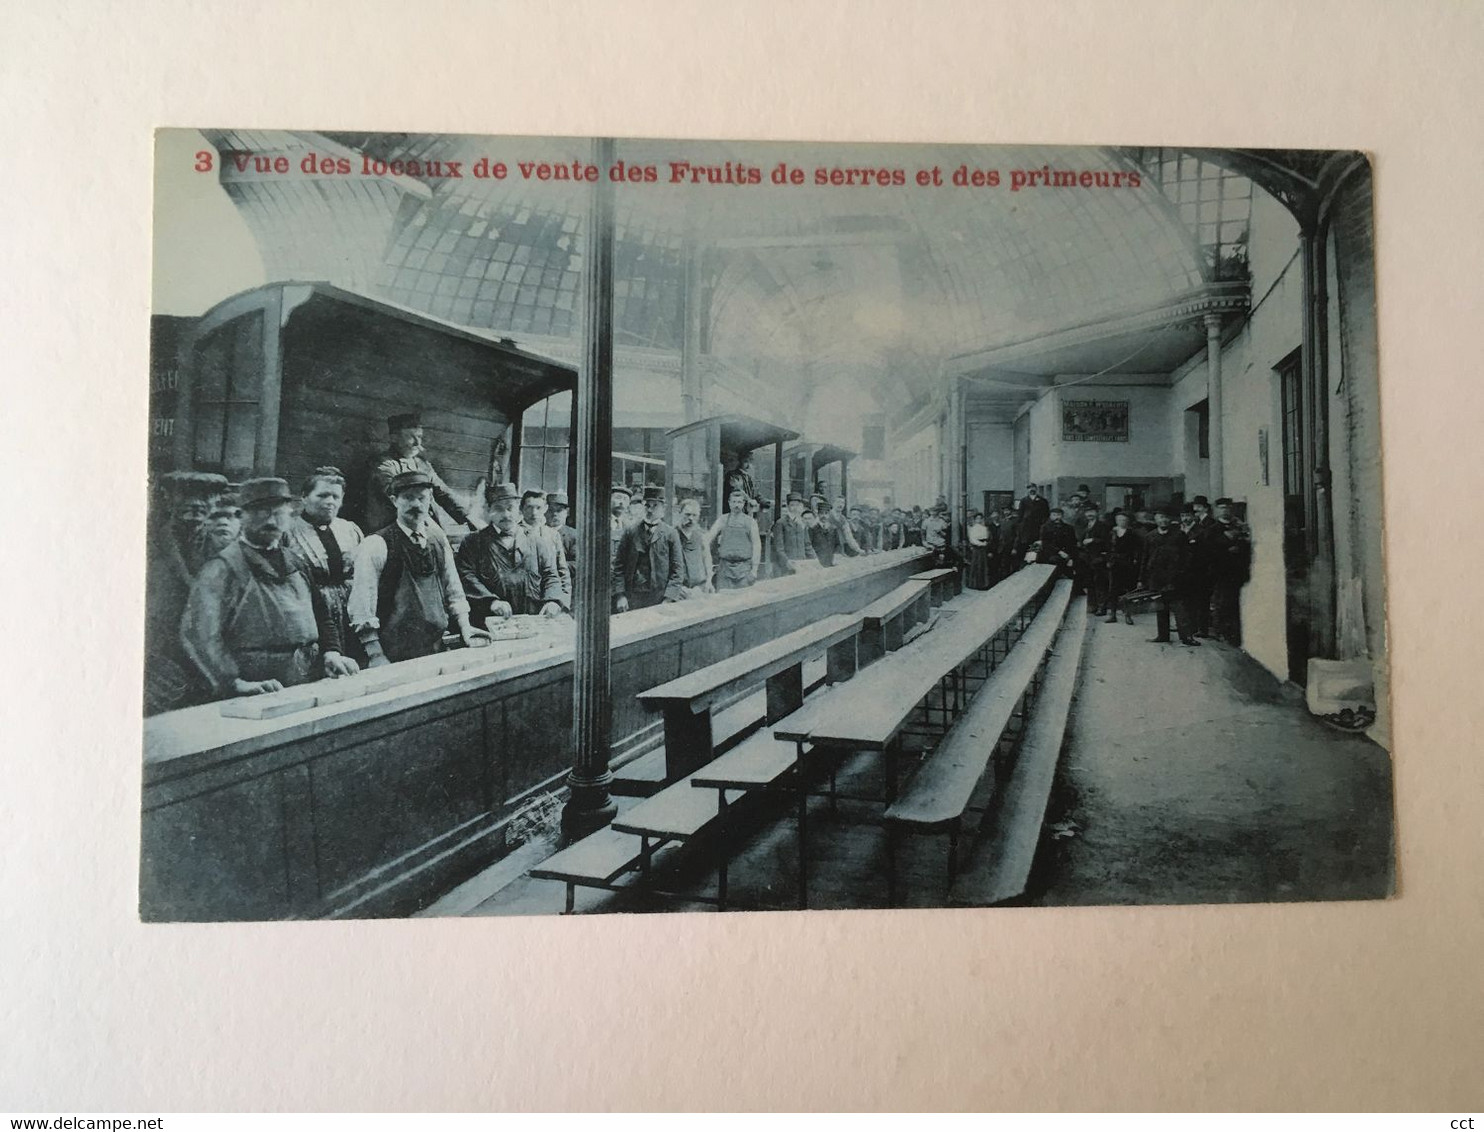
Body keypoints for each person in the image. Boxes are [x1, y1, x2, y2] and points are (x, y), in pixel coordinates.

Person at [181, 476, 360, 699]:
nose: (270, 520)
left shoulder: (296, 561)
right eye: (260, 512)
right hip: (256, 684)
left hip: (306, 676)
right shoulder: (223, 568)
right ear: (241, 516)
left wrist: (332, 652)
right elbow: (201, 634)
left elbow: (321, 614)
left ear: (290, 515)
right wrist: (234, 682)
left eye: (278, 512)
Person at [348, 463, 490, 666]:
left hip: (436, 647)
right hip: (392, 652)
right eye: (408, 498)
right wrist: (375, 653)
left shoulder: (438, 540)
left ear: (430, 500)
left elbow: (454, 589)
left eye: (422, 498)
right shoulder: (377, 544)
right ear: (394, 500)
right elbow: (362, 604)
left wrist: (465, 627)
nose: (416, 504)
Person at [144, 470, 233, 713]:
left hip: (209, 656)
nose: (195, 504)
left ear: (215, 503)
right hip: (160, 656)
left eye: (205, 497)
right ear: (169, 499)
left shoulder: (224, 549)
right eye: (185, 495)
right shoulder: (148, 543)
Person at [284, 466, 366, 665]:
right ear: (304, 497)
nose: (330, 502)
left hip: (350, 610)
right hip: (311, 611)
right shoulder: (288, 531)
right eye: (322, 495)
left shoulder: (349, 529)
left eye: (335, 497)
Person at [456, 483, 566, 623]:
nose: (506, 515)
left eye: (510, 508)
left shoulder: (537, 542)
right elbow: (466, 576)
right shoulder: (473, 542)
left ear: (519, 511)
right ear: (489, 511)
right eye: (499, 509)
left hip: (532, 620)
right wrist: (491, 602)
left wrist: (553, 601)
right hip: (489, 620)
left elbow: (550, 575)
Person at [365, 412, 479, 534]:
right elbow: (399, 501)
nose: (417, 443)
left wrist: (468, 517)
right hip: (394, 531)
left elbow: (443, 492)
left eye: (419, 437)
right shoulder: (383, 464)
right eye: (411, 437)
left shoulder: (422, 464)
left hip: (423, 527)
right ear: (394, 438)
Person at [616, 486, 685, 610]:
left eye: (655, 506)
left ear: (663, 509)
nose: (650, 510)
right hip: (633, 596)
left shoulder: (670, 534)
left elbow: (677, 570)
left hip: (659, 598)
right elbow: (619, 566)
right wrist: (620, 595)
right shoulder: (630, 532)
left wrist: (668, 599)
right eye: (647, 505)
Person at [1138, 507, 1199, 645]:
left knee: (1179, 607)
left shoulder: (1179, 535)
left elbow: (1187, 557)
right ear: (1155, 520)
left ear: (1170, 520)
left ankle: (1186, 637)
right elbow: (1145, 558)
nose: (1163, 520)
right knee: (1160, 607)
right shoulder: (1150, 536)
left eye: (1165, 517)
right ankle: (1163, 635)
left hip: (1175, 577)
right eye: (1160, 517)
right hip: (1157, 576)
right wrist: (1141, 579)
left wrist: (1182, 573)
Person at [1209, 498, 1253, 644]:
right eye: (1221, 508)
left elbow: (1248, 547)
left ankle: (1234, 635)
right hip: (1221, 572)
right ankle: (1221, 632)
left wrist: (1239, 548)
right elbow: (1209, 550)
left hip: (1236, 571)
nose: (1225, 510)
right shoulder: (1213, 528)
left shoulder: (1240, 526)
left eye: (1227, 508)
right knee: (1222, 602)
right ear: (1217, 510)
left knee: (1234, 604)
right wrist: (1226, 550)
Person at [518, 489, 571, 607]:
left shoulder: (552, 535)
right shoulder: (514, 533)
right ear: (521, 509)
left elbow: (562, 571)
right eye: (529, 507)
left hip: (549, 598)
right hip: (521, 600)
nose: (534, 512)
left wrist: (562, 602)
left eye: (538, 508)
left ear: (545, 509)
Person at [707, 487, 762, 590]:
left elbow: (756, 546)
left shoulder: (751, 522)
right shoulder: (722, 520)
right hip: (724, 569)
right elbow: (708, 538)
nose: (737, 505)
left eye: (739, 502)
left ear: (743, 504)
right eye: (734, 502)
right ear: (729, 503)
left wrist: (754, 570)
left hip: (744, 569)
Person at [1104, 509, 1142, 625]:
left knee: (1128, 590)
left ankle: (1128, 615)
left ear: (1128, 521)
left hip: (1128, 563)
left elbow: (1137, 549)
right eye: (1119, 520)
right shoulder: (1112, 533)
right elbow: (1107, 548)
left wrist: (1135, 560)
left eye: (1124, 520)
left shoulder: (1132, 533)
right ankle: (1113, 614)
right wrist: (1109, 560)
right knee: (1113, 589)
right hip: (1114, 564)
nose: (1122, 522)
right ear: (1116, 521)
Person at [673, 497, 715, 597]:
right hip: (679, 590)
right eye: (687, 515)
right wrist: (677, 588)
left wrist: (709, 581)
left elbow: (707, 560)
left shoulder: (701, 536)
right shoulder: (672, 536)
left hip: (700, 589)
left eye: (694, 515)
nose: (690, 519)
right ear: (679, 514)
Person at [1078, 501, 1113, 612]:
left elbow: (1108, 542)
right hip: (1086, 558)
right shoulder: (1083, 525)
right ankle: (1092, 605)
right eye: (1087, 512)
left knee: (1100, 583)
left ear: (1097, 513)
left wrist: (1093, 540)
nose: (1089, 514)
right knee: (1089, 582)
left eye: (1092, 512)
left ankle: (1102, 606)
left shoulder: (1103, 526)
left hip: (1099, 558)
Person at [546, 491, 578, 598]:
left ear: (567, 512)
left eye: (559, 511)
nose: (554, 514)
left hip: (566, 587)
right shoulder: (538, 532)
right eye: (550, 510)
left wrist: (553, 566)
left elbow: (577, 563)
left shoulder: (574, 536)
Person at [1037, 506, 1079, 581]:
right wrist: (1059, 552)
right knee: (1055, 561)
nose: (1057, 517)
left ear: (1062, 516)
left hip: (1066, 554)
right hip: (1050, 554)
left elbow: (1072, 543)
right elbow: (1046, 543)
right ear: (1050, 516)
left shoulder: (1069, 528)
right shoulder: (1045, 527)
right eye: (1054, 515)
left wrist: (1070, 557)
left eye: (1059, 515)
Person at [609, 483, 633, 613]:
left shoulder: (631, 527)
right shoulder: (597, 523)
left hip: (623, 588)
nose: (621, 503)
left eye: (625, 500)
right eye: (618, 498)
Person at [773, 492, 815, 563]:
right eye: (792, 505)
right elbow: (779, 548)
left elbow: (807, 545)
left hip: (801, 562)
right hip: (788, 563)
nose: (795, 508)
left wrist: (815, 560)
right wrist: (787, 562)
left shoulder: (802, 522)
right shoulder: (781, 523)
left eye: (797, 505)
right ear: (787, 506)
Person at [1015, 485, 1050, 556]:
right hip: (1026, 528)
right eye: (1029, 488)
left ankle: (1034, 561)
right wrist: (1020, 525)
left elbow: (1046, 514)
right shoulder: (1024, 500)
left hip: (1038, 526)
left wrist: (1043, 523)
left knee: (1036, 546)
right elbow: (1020, 514)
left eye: (1033, 488)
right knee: (1025, 546)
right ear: (1027, 490)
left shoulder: (1043, 501)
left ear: (1036, 489)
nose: (1031, 489)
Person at [965, 511, 993, 590]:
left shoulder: (984, 528)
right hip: (977, 549)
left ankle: (983, 584)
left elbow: (987, 537)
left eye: (980, 518)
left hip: (983, 550)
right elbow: (972, 539)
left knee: (983, 566)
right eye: (977, 518)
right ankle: (975, 584)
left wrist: (985, 543)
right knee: (976, 566)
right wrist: (982, 544)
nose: (979, 520)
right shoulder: (973, 529)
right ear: (975, 519)